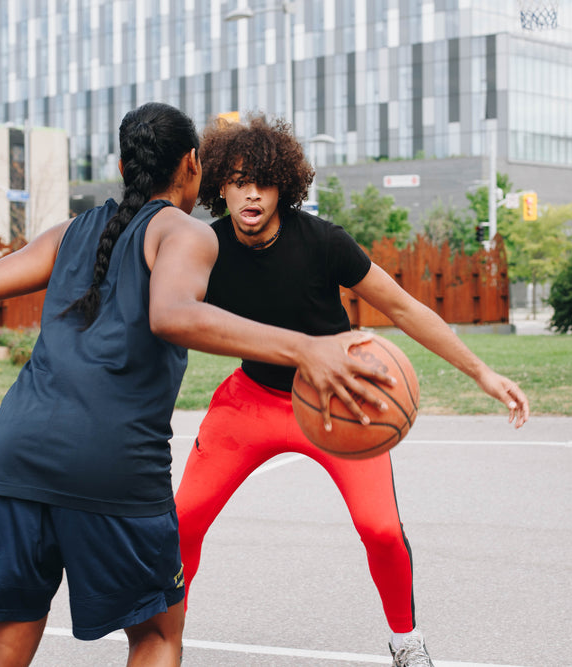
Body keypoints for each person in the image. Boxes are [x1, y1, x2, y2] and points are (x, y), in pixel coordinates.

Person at [0, 103, 392, 667]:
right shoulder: (185, 233)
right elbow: (172, 315)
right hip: (112, 463)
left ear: (123, 167)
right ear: (194, 164)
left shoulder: (69, 232)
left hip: (17, 456)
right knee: (155, 636)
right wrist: (305, 346)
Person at [174, 114, 530, 667]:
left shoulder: (320, 241)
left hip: (338, 401)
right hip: (251, 400)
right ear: (220, 183)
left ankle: (406, 642)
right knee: (183, 520)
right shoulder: (207, 247)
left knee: (381, 530)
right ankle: (164, 637)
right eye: (239, 179)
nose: (251, 193)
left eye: (263, 181)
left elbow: (403, 307)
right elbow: (169, 313)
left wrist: (481, 372)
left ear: (283, 187)